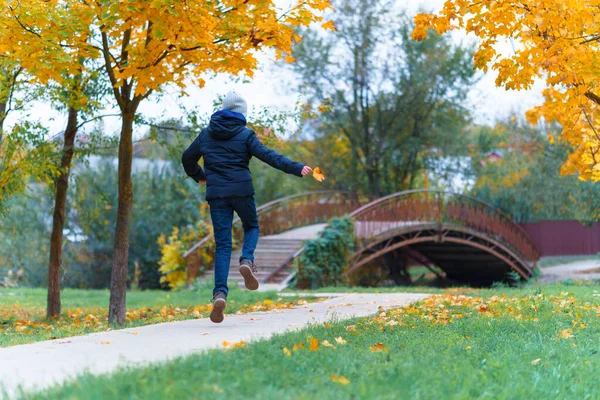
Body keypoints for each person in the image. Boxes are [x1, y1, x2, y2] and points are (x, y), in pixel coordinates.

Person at [181, 91, 313, 323]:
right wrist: (296, 167)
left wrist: (200, 176)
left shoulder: (205, 135)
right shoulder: (245, 135)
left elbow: (186, 158)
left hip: (217, 194)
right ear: (242, 113)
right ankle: (246, 260)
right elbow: (269, 156)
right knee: (251, 226)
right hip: (242, 191)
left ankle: (220, 294)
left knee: (222, 245)